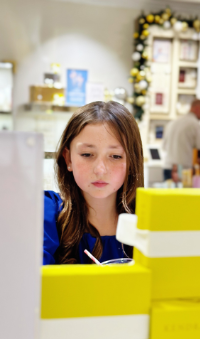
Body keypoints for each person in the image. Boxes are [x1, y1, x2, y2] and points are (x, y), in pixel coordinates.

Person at [43, 101, 144, 265]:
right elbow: (30, 281)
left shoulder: (148, 223)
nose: (100, 170)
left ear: (132, 162)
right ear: (68, 158)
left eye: (115, 156)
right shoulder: (47, 213)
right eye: (87, 154)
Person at [162, 99, 200, 183]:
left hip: (167, 167)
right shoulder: (196, 125)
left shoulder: (172, 123)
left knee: (167, 196)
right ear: (197, 108)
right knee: (181, 196)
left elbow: (164, 147)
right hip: (183, 171)